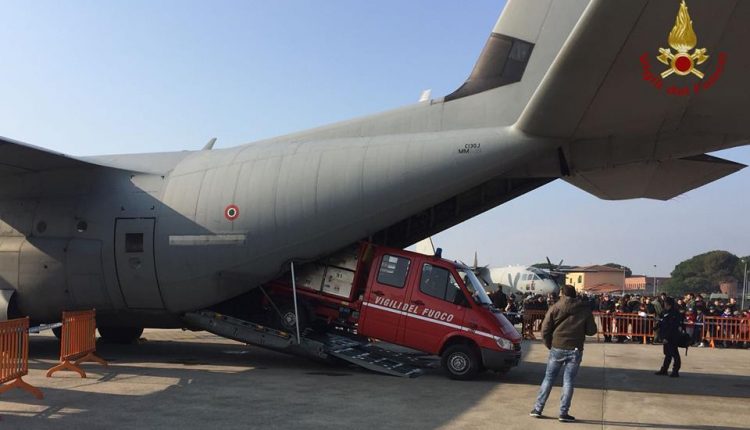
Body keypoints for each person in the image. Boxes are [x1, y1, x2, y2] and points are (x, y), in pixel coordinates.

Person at [530, 285, 597, 423]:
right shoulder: (584, 309)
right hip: (575, 349)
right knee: (568, 381)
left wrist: (549, 344)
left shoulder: (555, 307)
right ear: (575, 294)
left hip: (557, 347)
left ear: (562, 294)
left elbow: (545, 329)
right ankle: (563, 413)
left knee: (548, 378)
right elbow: (591, 331)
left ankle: (538, 409)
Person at [655, 297, 684, 377]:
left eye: (665, 303)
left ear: (668, 304)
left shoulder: (674, 313)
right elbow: (663, 322)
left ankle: (675, 371)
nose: (664, 304)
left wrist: (666, 337)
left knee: (675, 354)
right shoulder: (665, 312)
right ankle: (664, 369)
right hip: (666, 335)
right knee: (668, 354)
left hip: (672, 336)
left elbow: (672, 327)